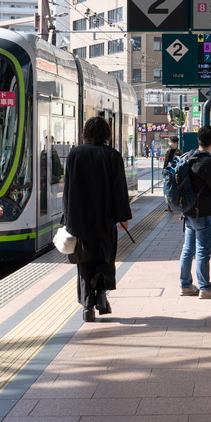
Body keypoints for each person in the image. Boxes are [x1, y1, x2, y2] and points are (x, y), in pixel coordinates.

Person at [61, 117, 133, 322]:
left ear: (85, 133)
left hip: (79, 220)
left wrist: (67, 217)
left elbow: (68, 188)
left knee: (84, 263)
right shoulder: (112, 155)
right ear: (107, 134)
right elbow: (119, 189)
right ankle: (101, 294)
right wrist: (123, 217)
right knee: (105, 257)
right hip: (105, 219)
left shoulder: (74, 153)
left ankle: (87, 307)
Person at [178, 124, 211, 300]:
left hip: (189, 210)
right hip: (204, 212)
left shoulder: (189, 157)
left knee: (187, 250)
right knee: (202, 252)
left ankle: (185, 285)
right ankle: (205, 288)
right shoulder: (207, 162)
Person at [161, 136, 180, 212]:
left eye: (171, 142)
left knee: (173, 189)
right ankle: (169, 205)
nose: (170, 143)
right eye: (170, 142)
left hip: (174, 173)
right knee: (167, 189)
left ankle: (174, 204)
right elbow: (166, 162)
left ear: (176, 143)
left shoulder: (179, 152)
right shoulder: (168, 151)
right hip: (167, 173)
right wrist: (164, 170)